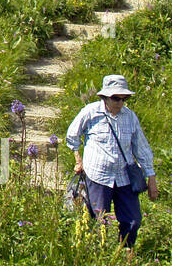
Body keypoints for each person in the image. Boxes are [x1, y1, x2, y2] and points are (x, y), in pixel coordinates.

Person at [65, 74, 158, 250]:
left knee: (133, 220)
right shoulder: (91, 113)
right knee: (99, 219)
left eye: (124, 98)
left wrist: (151, 177)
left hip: (124, 177)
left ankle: (124, 251)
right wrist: (78, 159)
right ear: (105, 97)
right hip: (98, 175)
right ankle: (98, 254)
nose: (120, 103)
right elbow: (72, 135)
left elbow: (142, 148)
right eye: (116, 98)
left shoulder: (130, 117)